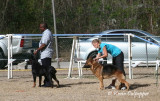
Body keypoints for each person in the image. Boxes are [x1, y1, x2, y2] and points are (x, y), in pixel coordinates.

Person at [34, 22, 54, 87]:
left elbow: (44, 44)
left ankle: (48, 83)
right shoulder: (46, 33)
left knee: (46, 70)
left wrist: (37, 50)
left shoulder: (47, 33)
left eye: (40, 27)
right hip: (45, 54)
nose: (40, 28)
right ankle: (47, 82)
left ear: (43, 27)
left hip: (46, 54)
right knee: (45, 70)